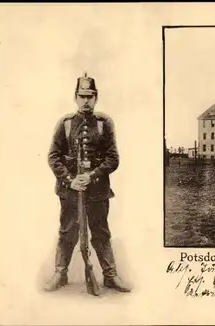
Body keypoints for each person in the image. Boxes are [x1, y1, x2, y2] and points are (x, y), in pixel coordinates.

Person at [44, 73, 130, 293]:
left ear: (96, 98)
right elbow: (53, 156)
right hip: (70, 191)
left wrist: (91, 176)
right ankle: (60, 273)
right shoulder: (65, 124)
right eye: (82, 96)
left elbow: (113, 158)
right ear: (75, 97)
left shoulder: (104, 124)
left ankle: (110, 276)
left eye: (90, 96)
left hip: (97, 191)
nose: (86, 101)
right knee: (67, 232)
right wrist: (71, 180)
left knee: (101, 232)